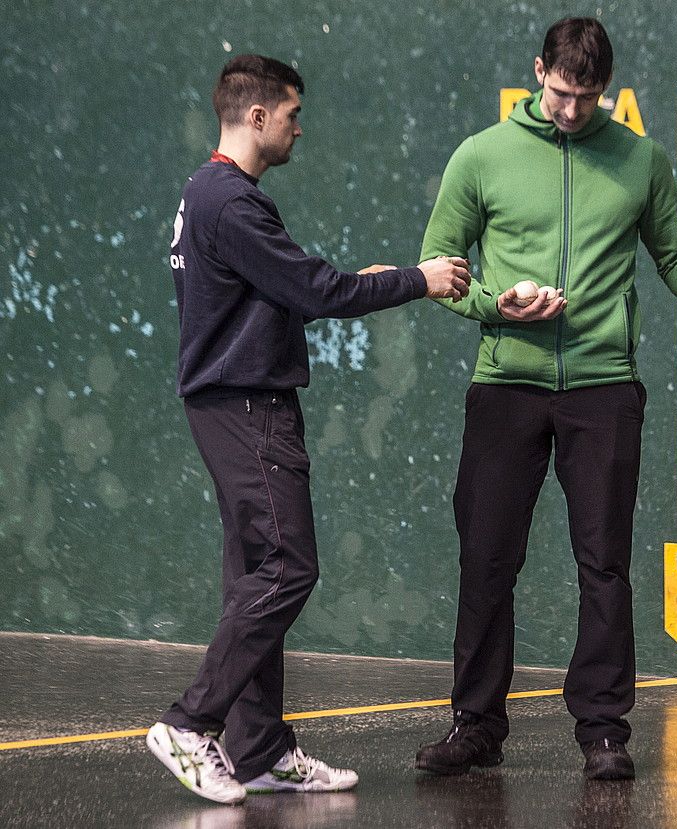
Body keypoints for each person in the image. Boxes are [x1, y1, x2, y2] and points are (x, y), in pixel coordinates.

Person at [146, 54, 471, 805]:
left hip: (232, 404)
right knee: (288, 567)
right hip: (248, 408)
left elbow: (285, 288)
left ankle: (258, 749)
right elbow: (315, 289)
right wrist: (416, 280)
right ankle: (190, 723)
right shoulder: (231, 201)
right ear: (257, 116)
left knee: (256, 575)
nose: (300, 126)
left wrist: (367, 279)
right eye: (292, 112)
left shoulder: (210, 193)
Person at [413, 17, 677, 782]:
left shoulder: (640, 159)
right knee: (487, 558)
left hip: (603, 391)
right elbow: (438, 264)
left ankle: (602, 730)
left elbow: (674, 249)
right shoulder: (481, 157)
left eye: (586, 98)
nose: (569, 110)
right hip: (504, 387)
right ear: (537, 74)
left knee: (604, 564)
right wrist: (497, 303)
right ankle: (476, 723)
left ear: (606, 90)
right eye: (559, 93)